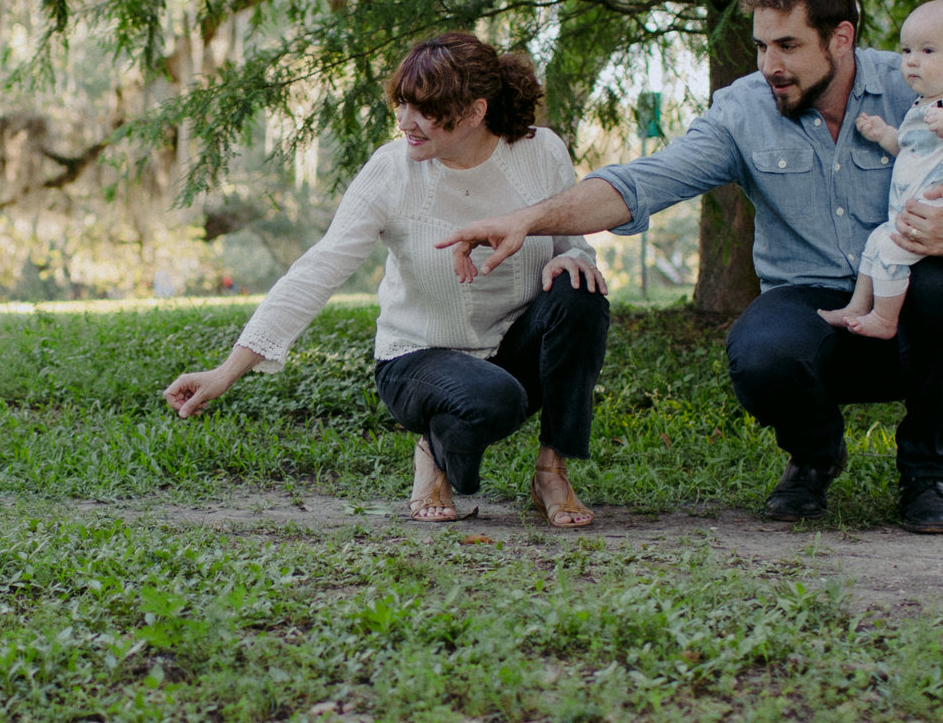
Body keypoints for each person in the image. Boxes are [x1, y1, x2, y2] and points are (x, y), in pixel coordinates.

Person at [434, 0, 943, 534]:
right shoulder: (743, 108)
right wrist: (528, 220)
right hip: (810, 303)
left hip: (906, 302)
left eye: (787, 46)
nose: (769, 66)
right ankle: (816, 456)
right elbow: (644, 182)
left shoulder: (915, 86)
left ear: (840, 38)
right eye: (760, 47)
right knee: (761, 356)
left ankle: (926, 473)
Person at [163, 31, 612, 525]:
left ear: (474, 112)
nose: (404, 122)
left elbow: (575, 239)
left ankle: (552, 470)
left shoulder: (540, 151)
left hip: (514, 346)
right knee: (494, 398)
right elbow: (318, 269)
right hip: (417, 358)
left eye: (423, 110)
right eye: (401, 104)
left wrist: (571, 258)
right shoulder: (391, 170)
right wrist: (227, 371)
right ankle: (433, 449)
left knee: (580, 290)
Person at [822, 0, 943, 339]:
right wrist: (883, 135)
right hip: (913, 209)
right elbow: (909, 149)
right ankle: (857, 307)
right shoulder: (922, 107)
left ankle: (885, 320)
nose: (911, 61)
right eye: (907, 51)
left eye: (928, 51)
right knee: (876, 241)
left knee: (891, 246)